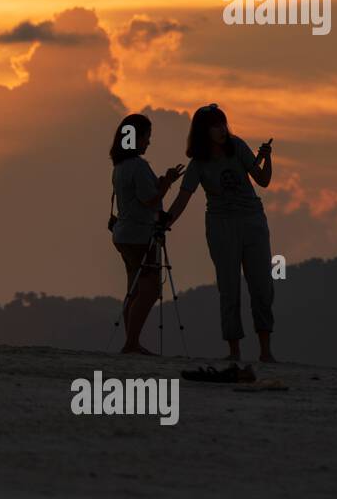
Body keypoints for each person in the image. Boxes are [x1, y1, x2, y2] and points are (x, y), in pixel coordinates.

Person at [164, 104, 276, 362]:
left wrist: (267, 156)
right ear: (204, 131)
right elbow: (183, 199)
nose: (222, 129)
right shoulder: (198, 163)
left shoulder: (237, 146)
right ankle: (234, 351)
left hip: (252, 221)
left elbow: (263, 180)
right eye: (216, 125)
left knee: (262, 286)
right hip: (220, 225)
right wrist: (166, 221)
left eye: (223, 123)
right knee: (229, 288)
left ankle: (265, 351)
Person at [109, 113, 185, 355]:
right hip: (141, 236)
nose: (148, 142)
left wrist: (161, 183)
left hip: (124, 235)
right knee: (150, 289)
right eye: (146, 137)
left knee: (134, 288)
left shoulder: (120, 166)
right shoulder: (138, 167)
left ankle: (130, 341)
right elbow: (149, 199)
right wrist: (168, 182)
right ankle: (132, 342)